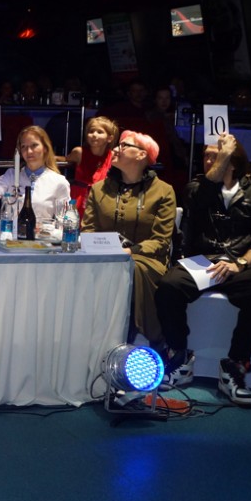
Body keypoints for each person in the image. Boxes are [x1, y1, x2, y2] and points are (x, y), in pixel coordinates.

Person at [154, 133, 251, 405]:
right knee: (168, 287)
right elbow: (197, 200)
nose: (209, 160)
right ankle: (179, 356)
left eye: (217, 156)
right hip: (202, 260)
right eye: (207, 156)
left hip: (239, 263)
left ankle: (235, 364)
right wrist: (221, 160)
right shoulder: (197, 188)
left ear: (234, 160)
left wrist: (240, 263)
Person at [81, 130, 176, 346]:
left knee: (130, 268)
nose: (116, 149)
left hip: (147, 260)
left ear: (142, 155)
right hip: (103, 257)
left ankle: (137, 337)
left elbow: (160, 240)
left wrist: (129, 252)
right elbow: (88, 230)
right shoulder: (99, 189)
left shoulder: (163, 191)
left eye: (124, 146)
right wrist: (103, 251)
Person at [0, 125, 70, 222]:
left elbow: (64, 220)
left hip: (42, 231)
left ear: (45, 148)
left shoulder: (59, 182)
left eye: (34, 145)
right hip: (11, 231)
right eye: (24, 147)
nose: (29, 151)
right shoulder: (11, 175)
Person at [65, 116, 119, 218]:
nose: (94, 135)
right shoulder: (79, 152)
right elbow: (65, 159)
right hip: (79, 198)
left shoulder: (112, 156)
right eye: (91, 131)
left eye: (100, 132)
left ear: (109, 138)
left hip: (101, 198)